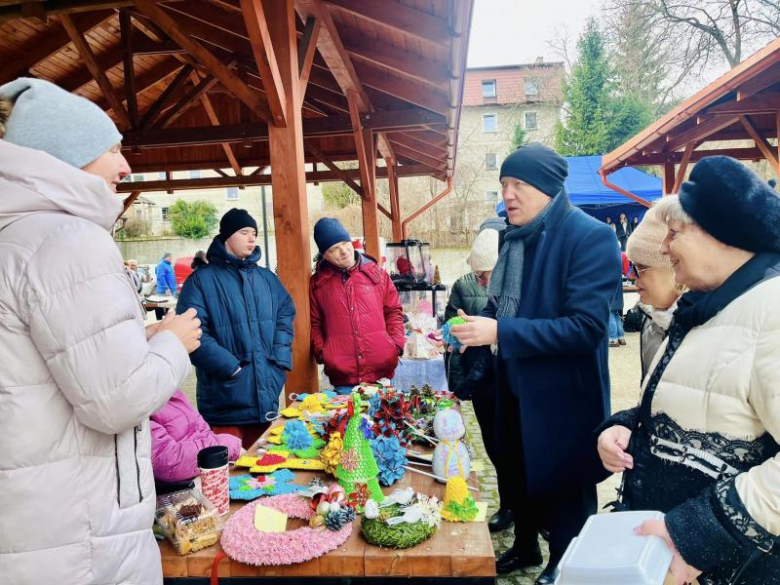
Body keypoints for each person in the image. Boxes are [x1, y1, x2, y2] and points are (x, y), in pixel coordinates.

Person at [0, 78, 201, 585]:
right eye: (113, 149)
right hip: (83, 538)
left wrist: (141, 339)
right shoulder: (67, 239)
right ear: (69, 153)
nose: (125, 167)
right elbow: (118, 399)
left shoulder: (16, 237)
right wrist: (173, 345)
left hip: (34, 525)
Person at [597, 157, 780, 585]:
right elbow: (697, 401)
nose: (663, 247)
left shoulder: (771, 314)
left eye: (675, 232)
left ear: (719, 235)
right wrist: (623, 427)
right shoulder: (703, 308)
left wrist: (696, 534)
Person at [451, 143, 620, 584]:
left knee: (566, 489)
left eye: (518, 184)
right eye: (504, 184)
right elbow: (502, 308)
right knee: (517, 473)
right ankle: (525, 546)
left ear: (546, 187)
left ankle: (565, 563)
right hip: (514, 386)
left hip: (564, 397)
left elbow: (586, 328)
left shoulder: (590, 236)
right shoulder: (513, 237)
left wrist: (500, 333)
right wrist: (478, 325)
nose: (507, 194)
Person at [177, 208, 295, 449]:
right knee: (229, 477)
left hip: (266, 400)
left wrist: (280, 361)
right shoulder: (201, 280)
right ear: (227, 236)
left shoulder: (267, 279)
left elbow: (286, 314)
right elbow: (191, 332)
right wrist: (231, 369)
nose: (252, 238)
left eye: (254, 233)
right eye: (244, 232)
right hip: (224, 403)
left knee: (266, 474)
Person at [444, 228, 513, 533]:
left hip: (504, 383)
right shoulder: (465, 286)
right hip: (482, 382)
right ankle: (510, 505)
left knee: (511, 451)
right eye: (478, 275)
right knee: (495, 449)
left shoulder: (514, 293)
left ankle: (529, 512)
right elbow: (459, 340)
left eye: (484, 274)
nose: (480, 282)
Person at [309, 218, 404, 394]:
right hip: (343, 377)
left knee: (382, 420)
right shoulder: (318, 285)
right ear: (325, 255)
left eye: (345, 243)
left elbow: (393, 312)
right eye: (334, 249)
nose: (344, 251)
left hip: (381, 373)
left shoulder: (378, 275)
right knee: (348, 421)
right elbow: (315, 323)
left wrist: (395, 345)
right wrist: (324, 353)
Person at [624, 205, 682, 380]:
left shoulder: (706, 328)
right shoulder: (650, 324)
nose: (631, 275)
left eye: (640, 266)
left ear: (673, 268)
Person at [151, 390, 242, 484]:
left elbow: (203, 431)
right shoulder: (141, 407)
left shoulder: (171, 390)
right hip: (180, 488)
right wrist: (228, 447)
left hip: (205, 473)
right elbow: (166, 462)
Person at [609, 241, 627, 347]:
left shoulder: (609, 260)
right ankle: (621, 337)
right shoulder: (618, 259)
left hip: (611, 294)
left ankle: (612, 339)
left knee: (610, 315)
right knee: (616, 314)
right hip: (618, 295)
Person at [155, 252, 176, 319]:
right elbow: (160, 277)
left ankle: (167, 323)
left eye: (171, 257)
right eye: (169, 257)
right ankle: (160, 322)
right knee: (161, 307)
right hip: (165, 291)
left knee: (169, 309)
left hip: (171, 290)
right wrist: (166, 288)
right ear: (165, 257)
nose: (171, 258)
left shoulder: (169, 265)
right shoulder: (162, 265)